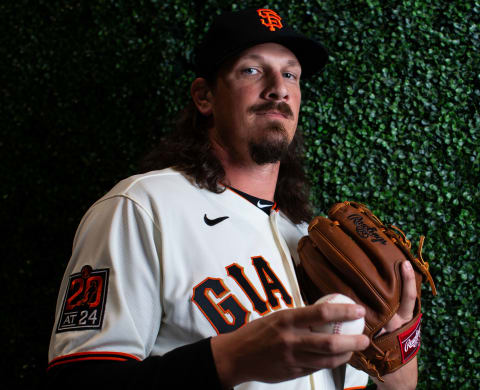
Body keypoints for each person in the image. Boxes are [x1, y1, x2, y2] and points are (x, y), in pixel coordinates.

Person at [47, 8, 419, 390]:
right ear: (205, 97)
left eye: (290, 73)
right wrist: (231, 359)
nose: (279, 87)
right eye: (252, 70)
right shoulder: (142, 207)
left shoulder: (313, 243)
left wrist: (400, 346)